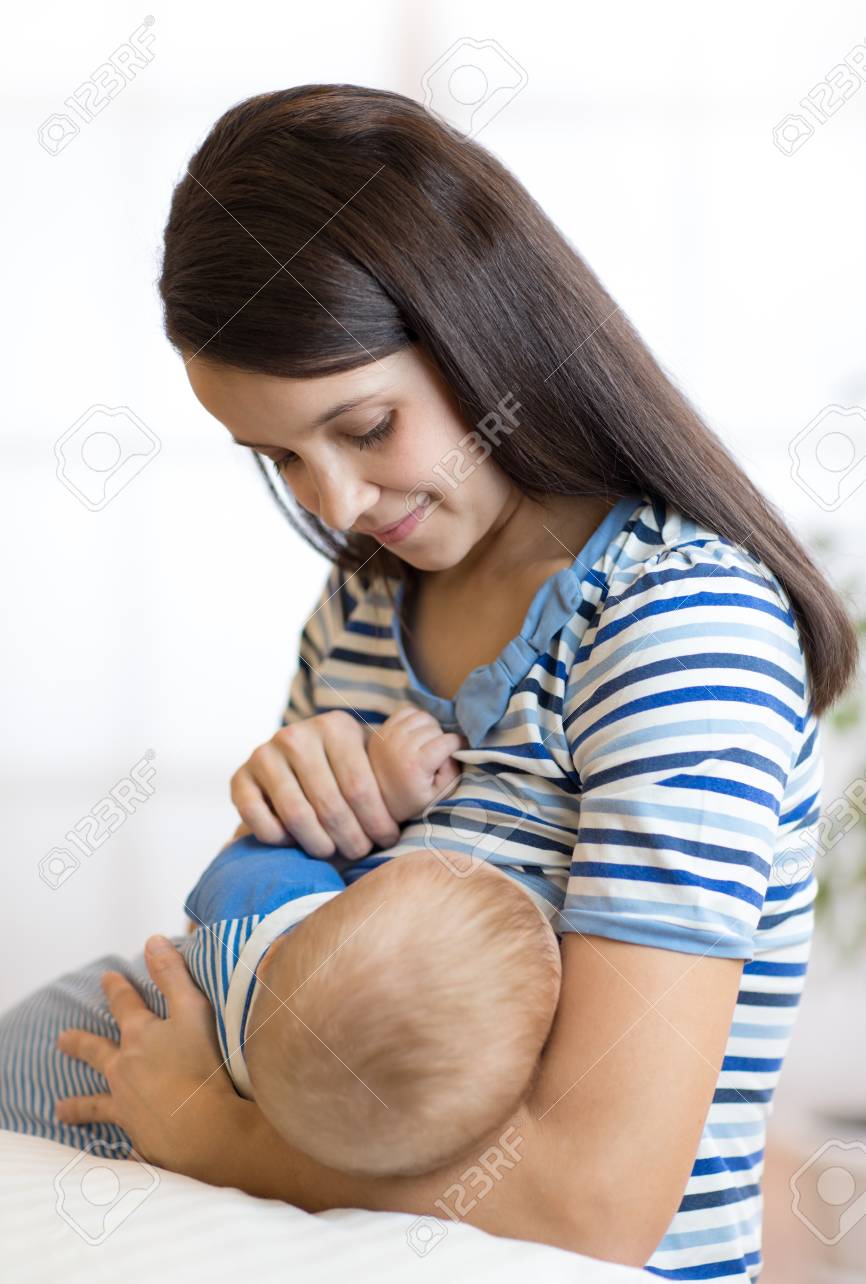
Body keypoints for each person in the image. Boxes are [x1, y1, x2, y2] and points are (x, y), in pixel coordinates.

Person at [15, 84, 861, 1277]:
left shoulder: (678, 630)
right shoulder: (365, 602)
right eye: (279, 460)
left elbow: (595, 1203)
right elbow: (323, 1034)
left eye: (365, 426)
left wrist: (210, 1129)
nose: (337, 505)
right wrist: (287, 820)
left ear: (483, 331)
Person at [0, 707, 563, 1182]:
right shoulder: (346, 1128)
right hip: (103, 1129)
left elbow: (261, 839)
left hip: (44, 1048)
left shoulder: (271, 915)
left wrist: (386, 792)